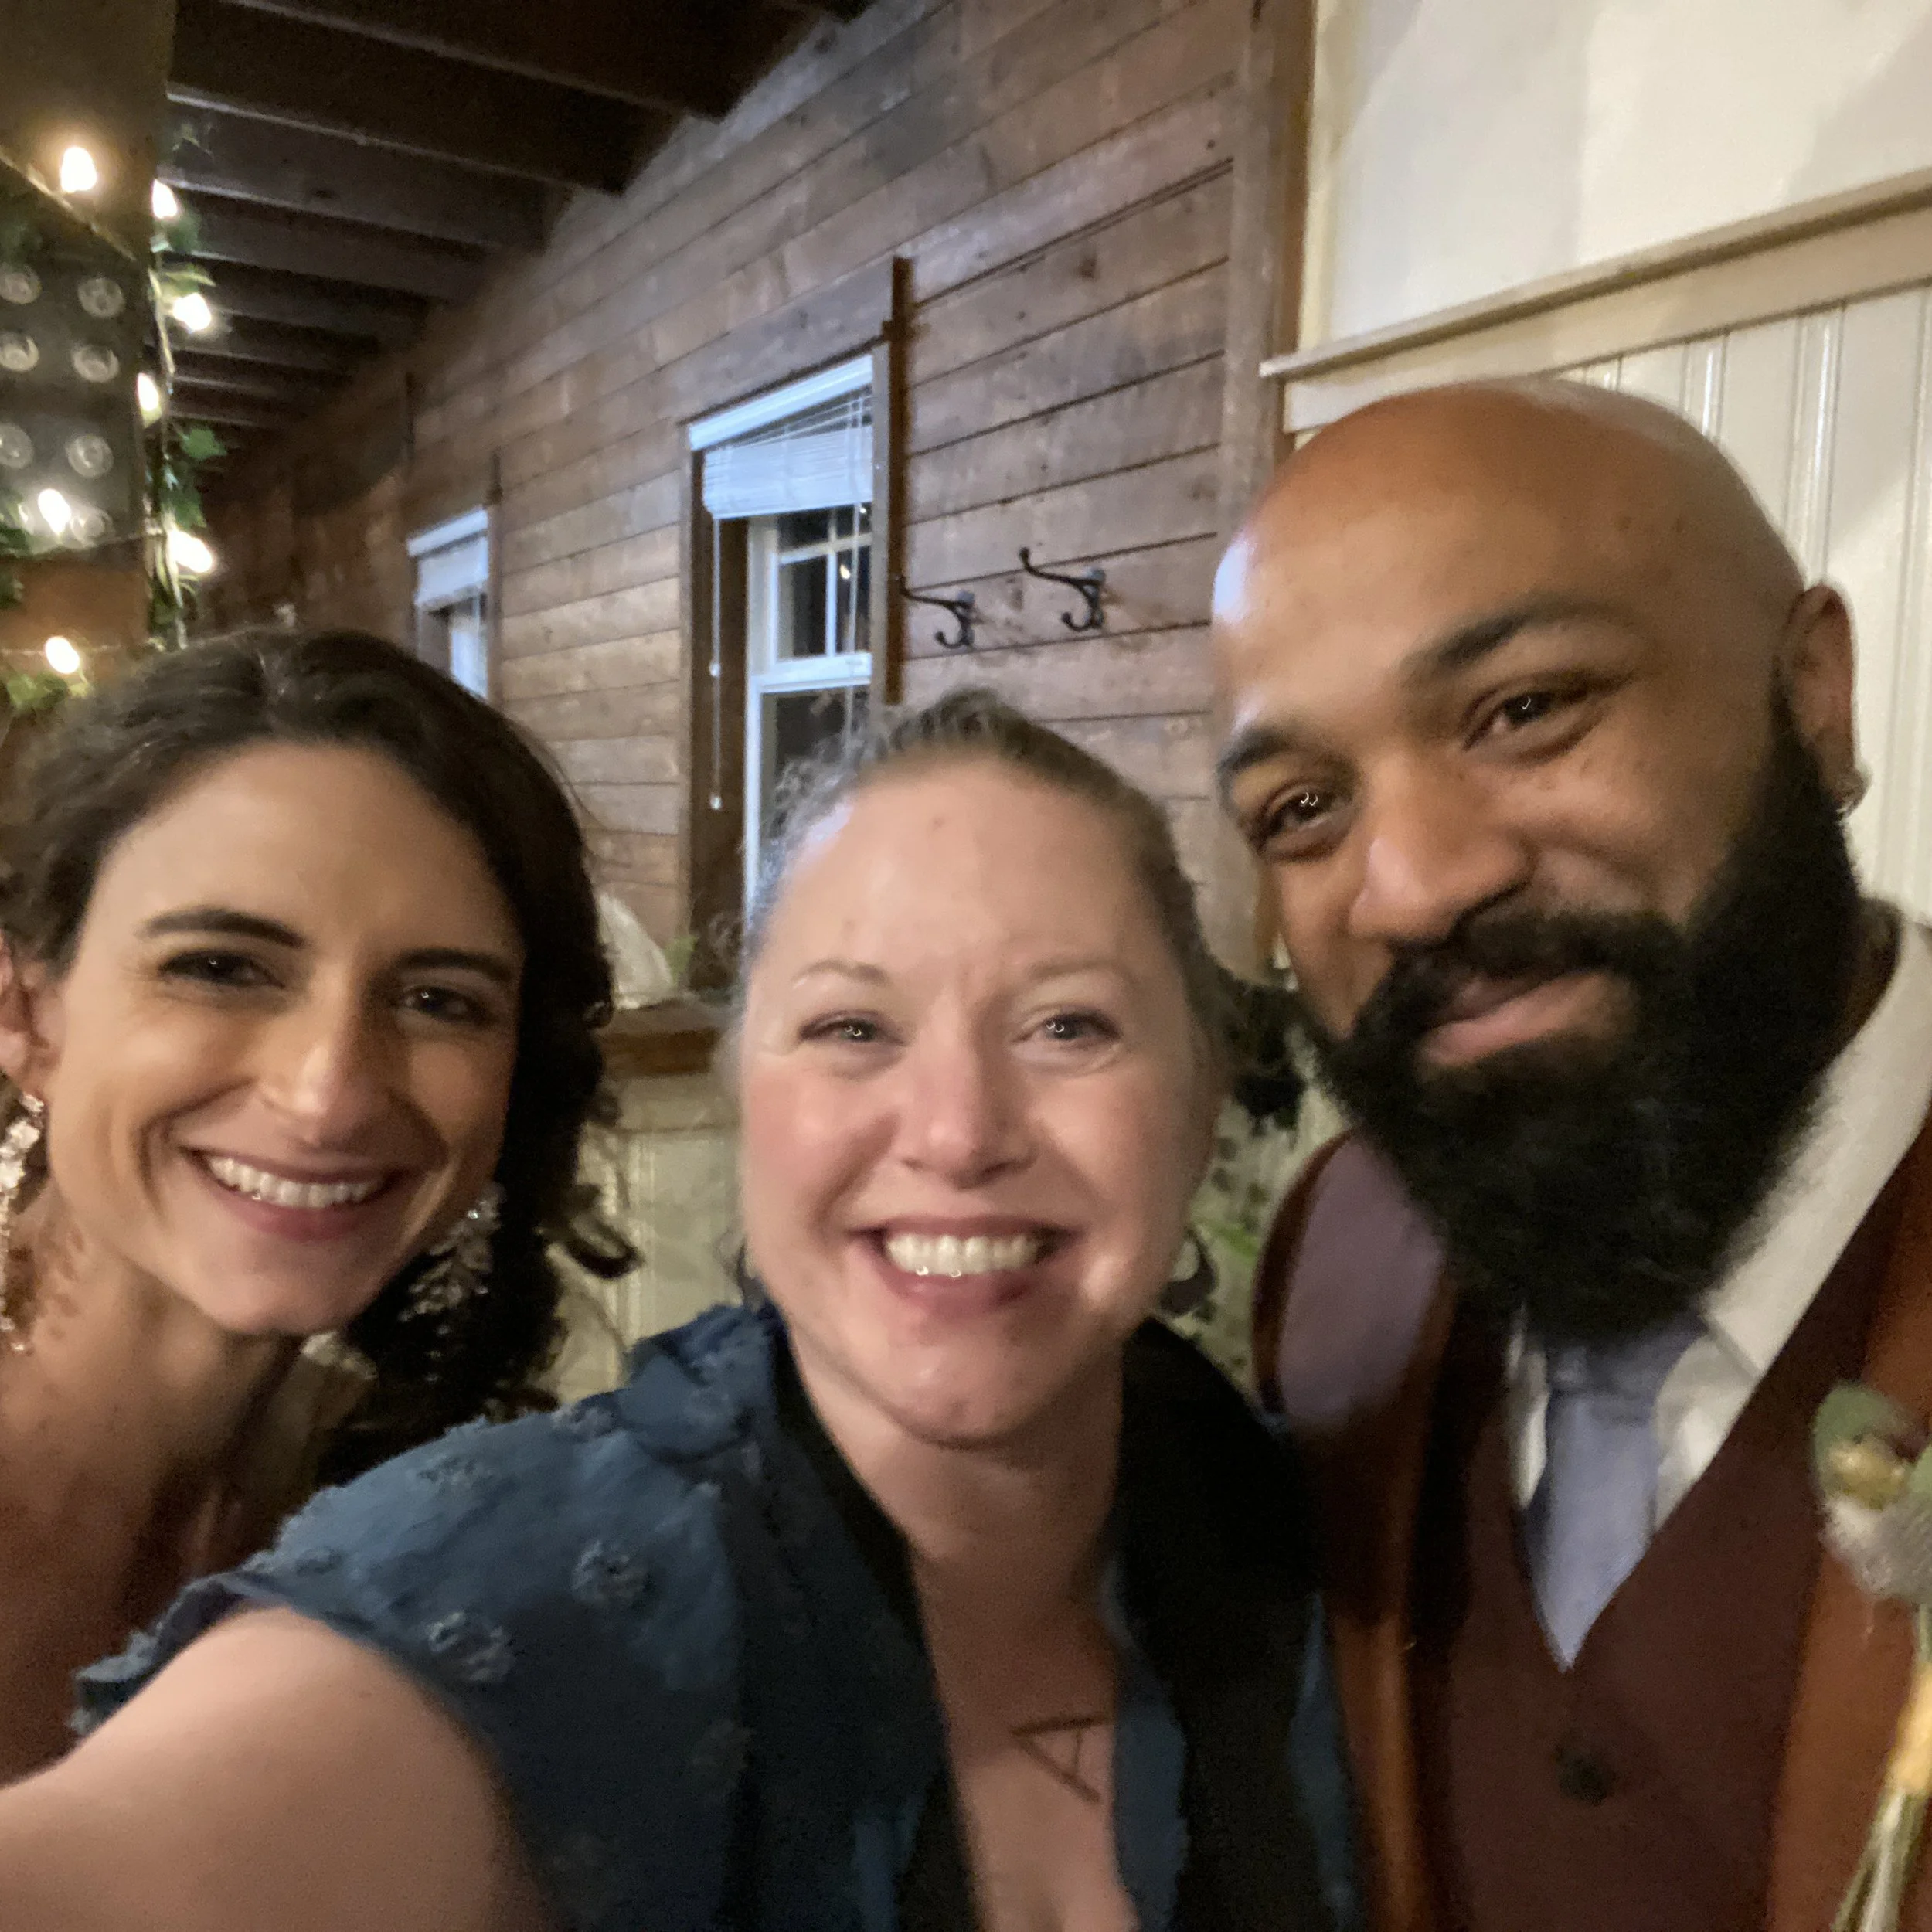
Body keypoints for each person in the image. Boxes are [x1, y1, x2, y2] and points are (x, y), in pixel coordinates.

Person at [0, 689, 1359, 1932]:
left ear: (1205, 1094)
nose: (328, 1094)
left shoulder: (1307, 1513)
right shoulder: (529, 1565)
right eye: (851, 1029)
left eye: (1070, 1026)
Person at [1211, 376, 1932, 1932]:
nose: (1405, 886)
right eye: (1302, 805)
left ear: (1810, 694)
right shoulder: (1338, 1257)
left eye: (1522, 709)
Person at [0, 629, 617, 1782]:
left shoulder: (431, 1501)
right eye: (221, 968)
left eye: (438, 999)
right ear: (29, 1015)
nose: (329, 1095)